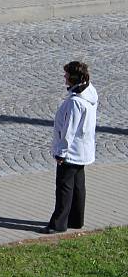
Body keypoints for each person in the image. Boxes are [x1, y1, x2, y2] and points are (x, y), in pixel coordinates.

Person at [44, 61, 98, 234]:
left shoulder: (75, 102)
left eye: (67, 75)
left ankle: (58, 224)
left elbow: (69, 130)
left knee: (64, 188)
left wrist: (61, 153)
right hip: (83, 150)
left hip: (72, 152)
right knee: (78, 186)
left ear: (73, 78)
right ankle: (76, 220)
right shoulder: (90, 91)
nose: (64, 77)